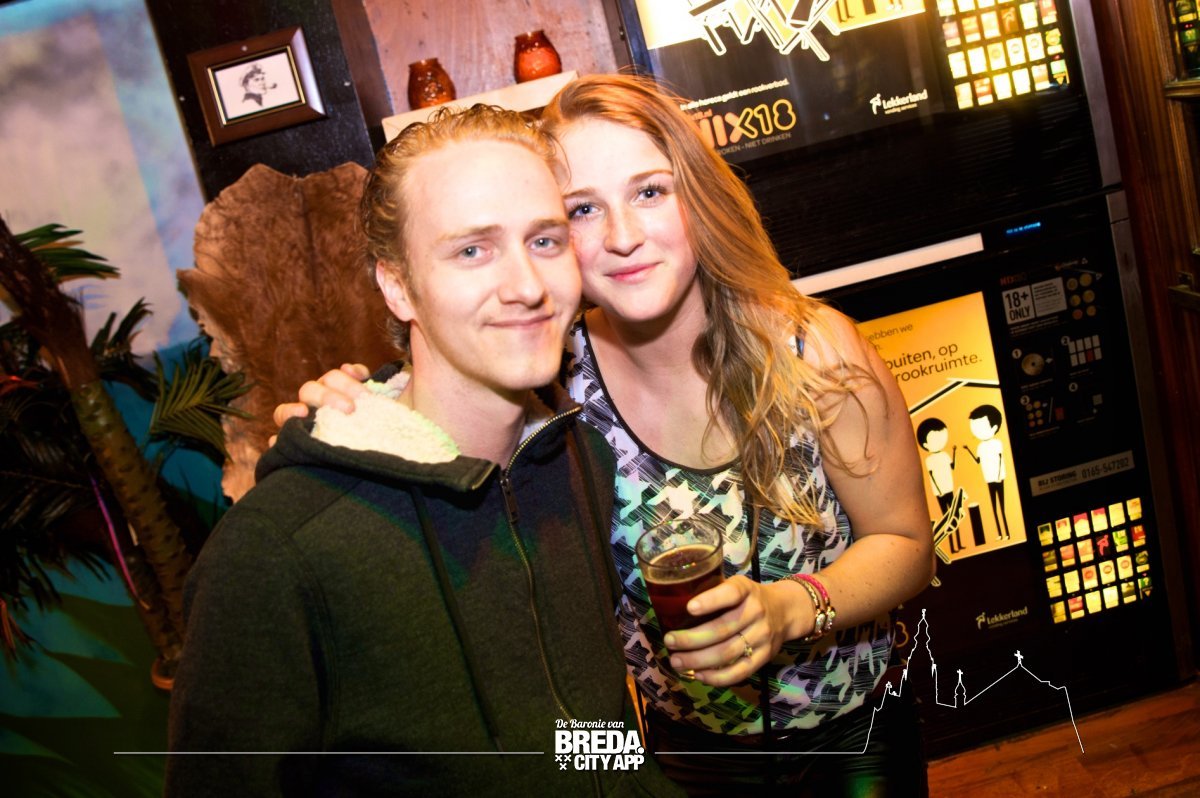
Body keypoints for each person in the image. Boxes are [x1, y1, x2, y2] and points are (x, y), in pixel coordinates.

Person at [281, 74, 935, 795]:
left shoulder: (813, 351)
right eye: (583, 210)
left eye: (649, 191)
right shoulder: (549, 383)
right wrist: (343, 410)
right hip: (680, 758)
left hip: (853, 735)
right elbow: (433, 409)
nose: (623, 237)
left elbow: (907, 544)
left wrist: (791, 607)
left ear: (698, 197)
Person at [167, 104, 679, 798]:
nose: (527, 287)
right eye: (472, 251)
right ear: (398, 285)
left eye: (545, 241)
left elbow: (584, 740)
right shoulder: (276, 550)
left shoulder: (575, 459)